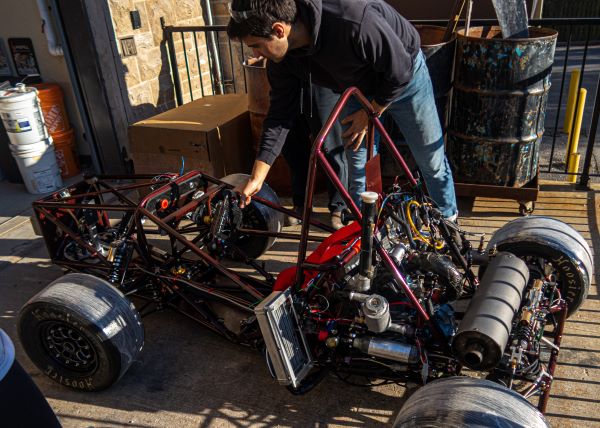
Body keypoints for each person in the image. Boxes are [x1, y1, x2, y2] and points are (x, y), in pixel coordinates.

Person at [227, 0, 457, 221]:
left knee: (430, 160)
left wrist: (371, 111)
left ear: (279, 30)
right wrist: (257, 178)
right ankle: (366, 236)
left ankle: (449, 224)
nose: (256, 55)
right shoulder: (283, 60)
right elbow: (279, 116)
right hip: (356, 87)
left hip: (406, 80)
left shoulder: (353, 20)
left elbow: (399, 71)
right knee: (359, 170)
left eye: (255, 45)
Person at [281, 84, 348, 229]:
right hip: (291, 82)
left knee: (330, 147)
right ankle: (302, 204)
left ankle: (339, 206)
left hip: (320, 82)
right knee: (294, 148)